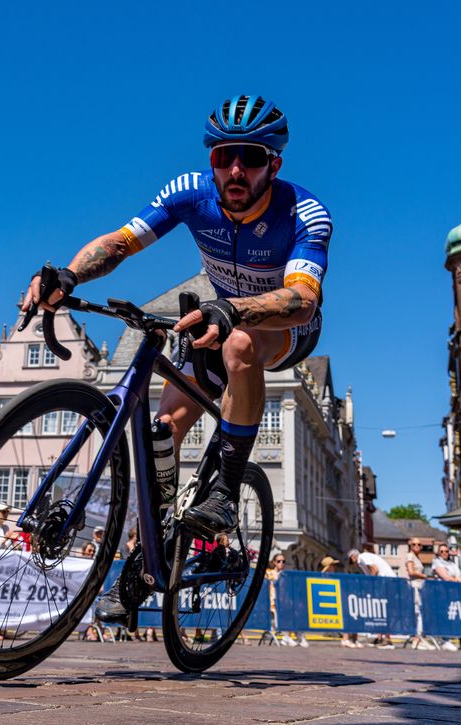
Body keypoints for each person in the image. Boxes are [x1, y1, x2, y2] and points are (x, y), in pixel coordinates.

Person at [21, 96, 330, 624]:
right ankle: (150, 557)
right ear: (212, 159)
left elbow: (303, 298)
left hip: (282, 326)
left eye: (252, 157)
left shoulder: (303, 212)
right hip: (215, 318)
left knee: (239, 344)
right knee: (161, 434)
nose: (236, 170)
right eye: (225, 156)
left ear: (274, 164)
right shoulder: (190, 192)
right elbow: (121, 243)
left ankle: (225, 489)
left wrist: (235, 309)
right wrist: (69, 276)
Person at [432, 544, 461, 652]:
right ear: (438, 553)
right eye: (442, 551)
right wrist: (456, 580)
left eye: (446, 551)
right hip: (443, 593)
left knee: (459, 616)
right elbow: (445, 577)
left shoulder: (452, 563)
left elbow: (460, 576)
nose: (444, 553)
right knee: (446, 617)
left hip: (455, 593)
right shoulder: (436, 562)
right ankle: (445, 640)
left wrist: (458, 579)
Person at [348, 546, 396, 649]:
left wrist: (371, 584)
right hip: (385, 581)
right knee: (380, 610)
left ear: (353, 557)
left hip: (385, 581)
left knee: (383, 610)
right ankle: (379, 638)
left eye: (351, 561)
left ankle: (388, 640)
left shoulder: (363, 557)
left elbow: (375, 569)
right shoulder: (363, 560)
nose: (353, 564)